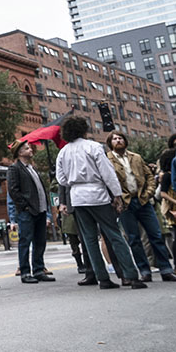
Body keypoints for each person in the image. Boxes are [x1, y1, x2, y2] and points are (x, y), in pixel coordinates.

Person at [55, 117, 145, 289]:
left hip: (77, 197)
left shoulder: (63, 152)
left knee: (89, 239)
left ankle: (102, 278)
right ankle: (131, 276)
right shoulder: (93, 147)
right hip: (97, 194)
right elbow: (107, 173)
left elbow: (61, 179)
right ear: (84, 130)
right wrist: (117, 195)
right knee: (114, 234)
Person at [105, 131, 176, 283]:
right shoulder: (107, 160)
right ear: (110, 144)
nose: (118, 140)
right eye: (114, 139)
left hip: (143, 201)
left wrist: (148, 194)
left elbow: (149, 177)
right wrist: (117, 199)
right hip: (125, 204)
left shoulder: (136, 157)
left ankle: (166, 270)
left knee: (156, 235)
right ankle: (144, 271)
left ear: (125, 140)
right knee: (134, 239)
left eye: (120, 138)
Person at [6, 141, 54, 284]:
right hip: (27, 212)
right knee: (25, 241)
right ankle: (25, 272)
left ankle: (39, 269)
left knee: (40, 241)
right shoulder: (14, 169)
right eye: (27, 148)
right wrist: (25, 207)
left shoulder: (32, 168)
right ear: (20, 153)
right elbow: (13, 190)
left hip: (40, 210)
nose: (30, 150)